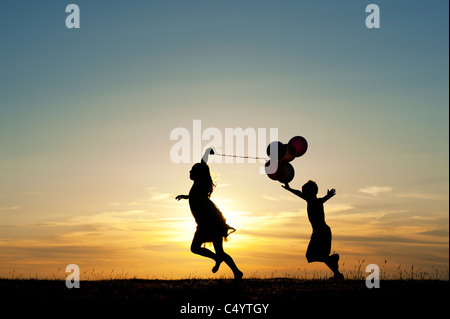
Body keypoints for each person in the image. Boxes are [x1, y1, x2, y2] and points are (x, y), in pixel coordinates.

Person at [176, 148, 243, 280]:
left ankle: (221, 261)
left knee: (195, 248)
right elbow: (196, 197)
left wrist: (207, 152)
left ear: (198, 174)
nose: (189, 172)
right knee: (216, 251)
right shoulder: (197, 186)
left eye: (192, 170)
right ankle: (236, 271)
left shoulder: (200, 183)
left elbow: (203, 164)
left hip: (210, 222)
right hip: (208, 222)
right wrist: (185, 196)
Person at [282, 180, 344, 280]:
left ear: (310, 193)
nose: (303, 193)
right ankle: (337, 274)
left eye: (304, 192)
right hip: (322, 231)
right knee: (322, 257)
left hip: (321, 232)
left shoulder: (314, 201)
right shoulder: (313, 200)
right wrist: (289, 188)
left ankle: (333, 261)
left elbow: (321, 199)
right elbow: (300, 194)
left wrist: (328, 196)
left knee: (310, 256)